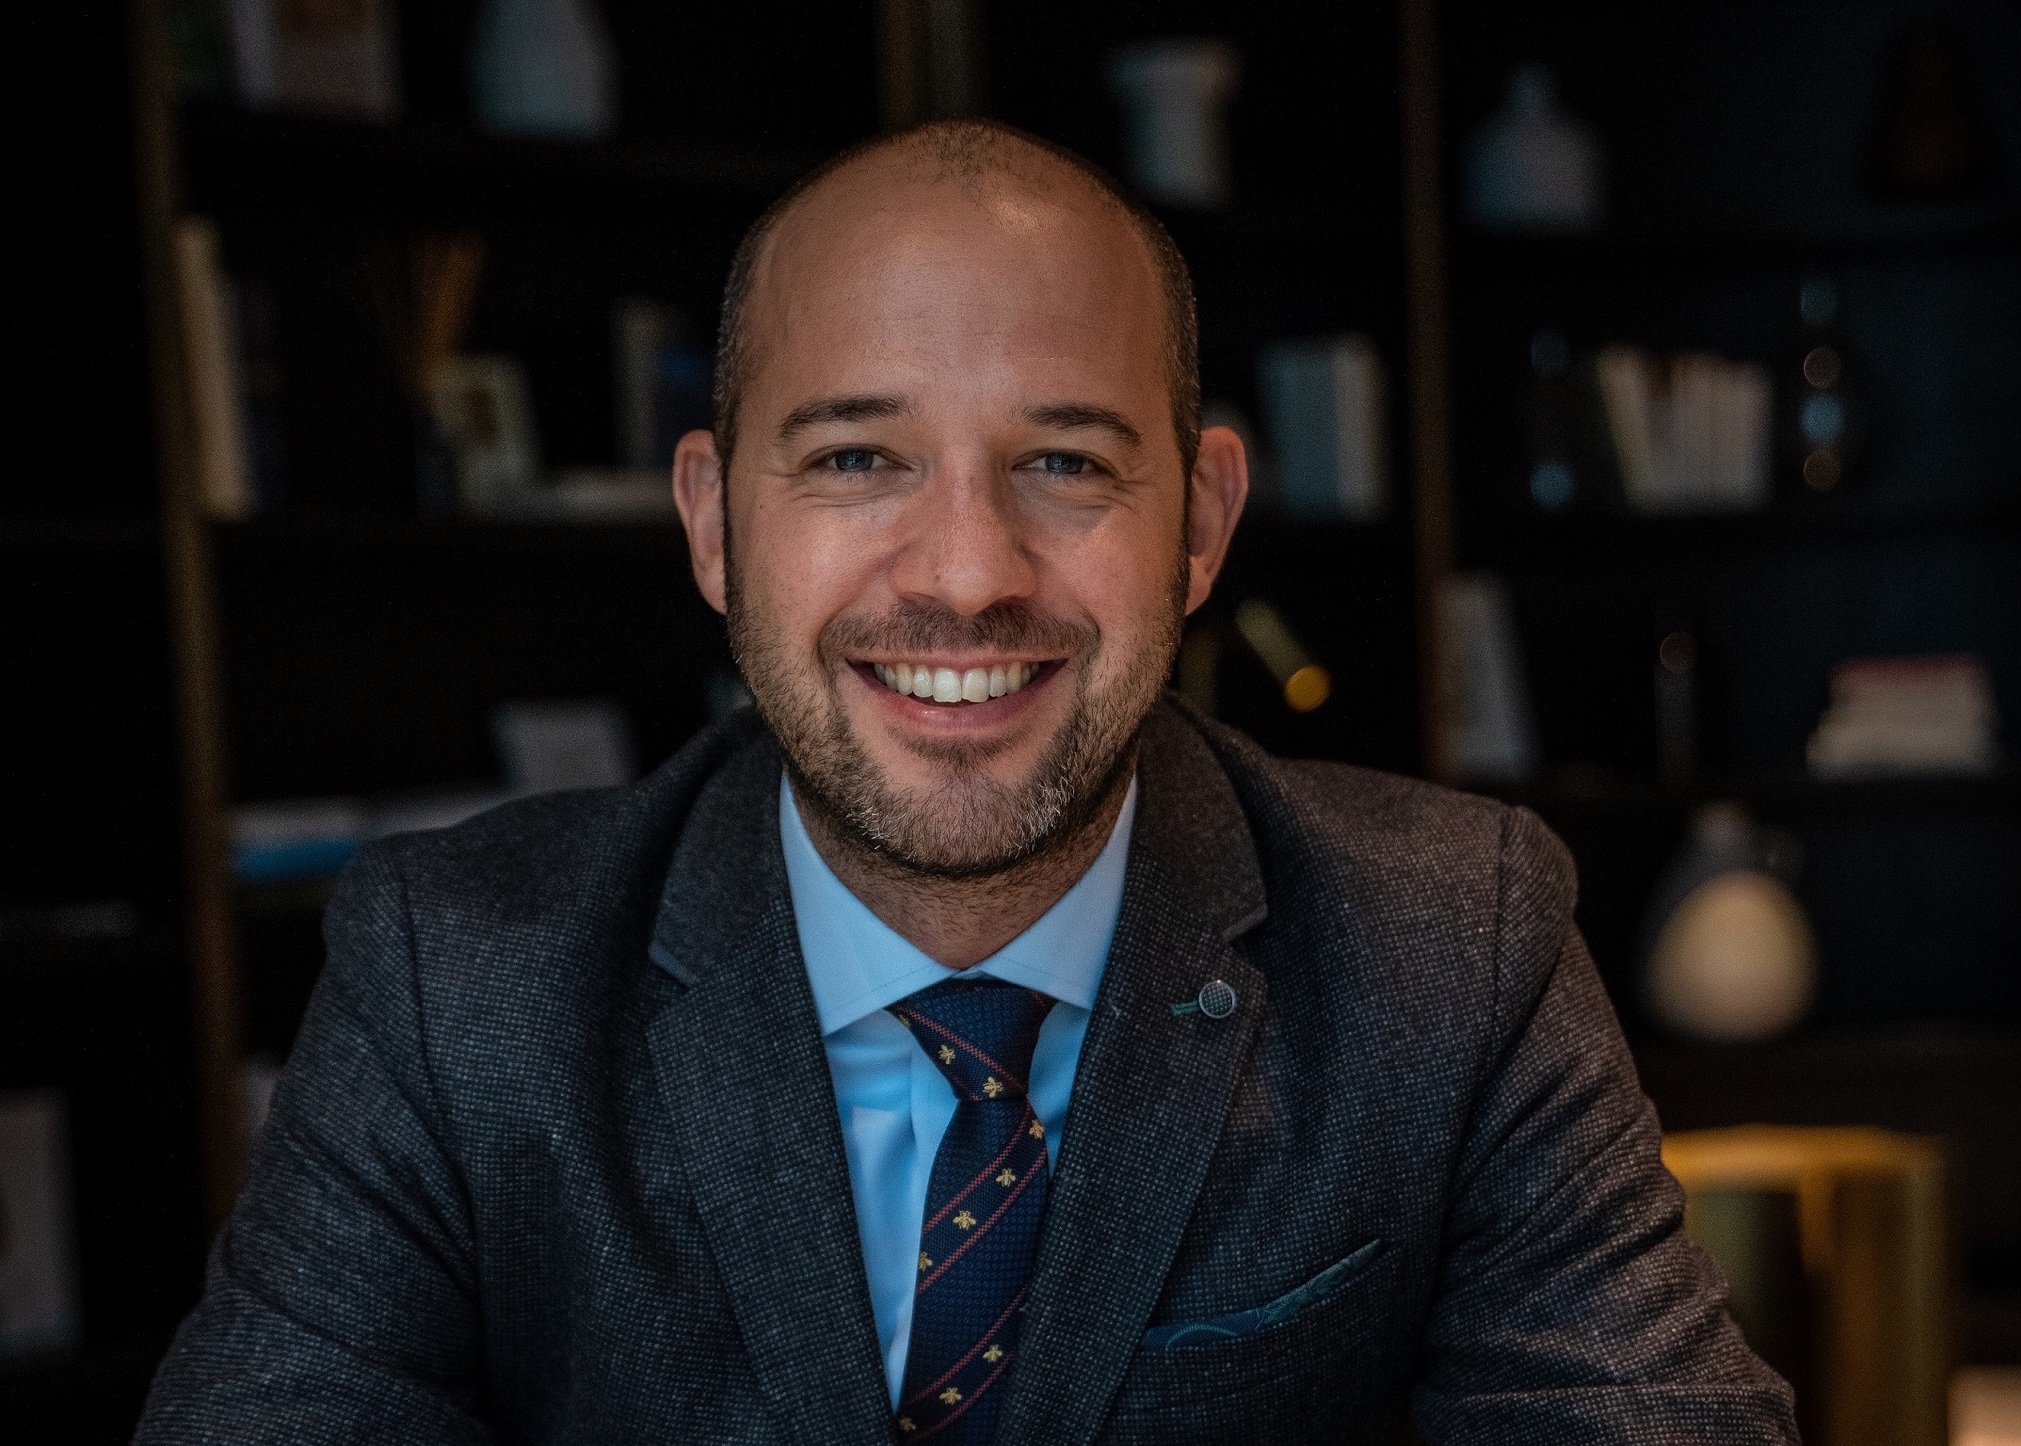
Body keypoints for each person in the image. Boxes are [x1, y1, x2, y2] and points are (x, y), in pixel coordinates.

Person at [137, 119, 1795, 1445]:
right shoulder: (455, 980)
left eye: (1063, 460)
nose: (967, 573)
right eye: (856, 457)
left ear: (1201, 521)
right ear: (712, 522)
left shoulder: (1455, 946)